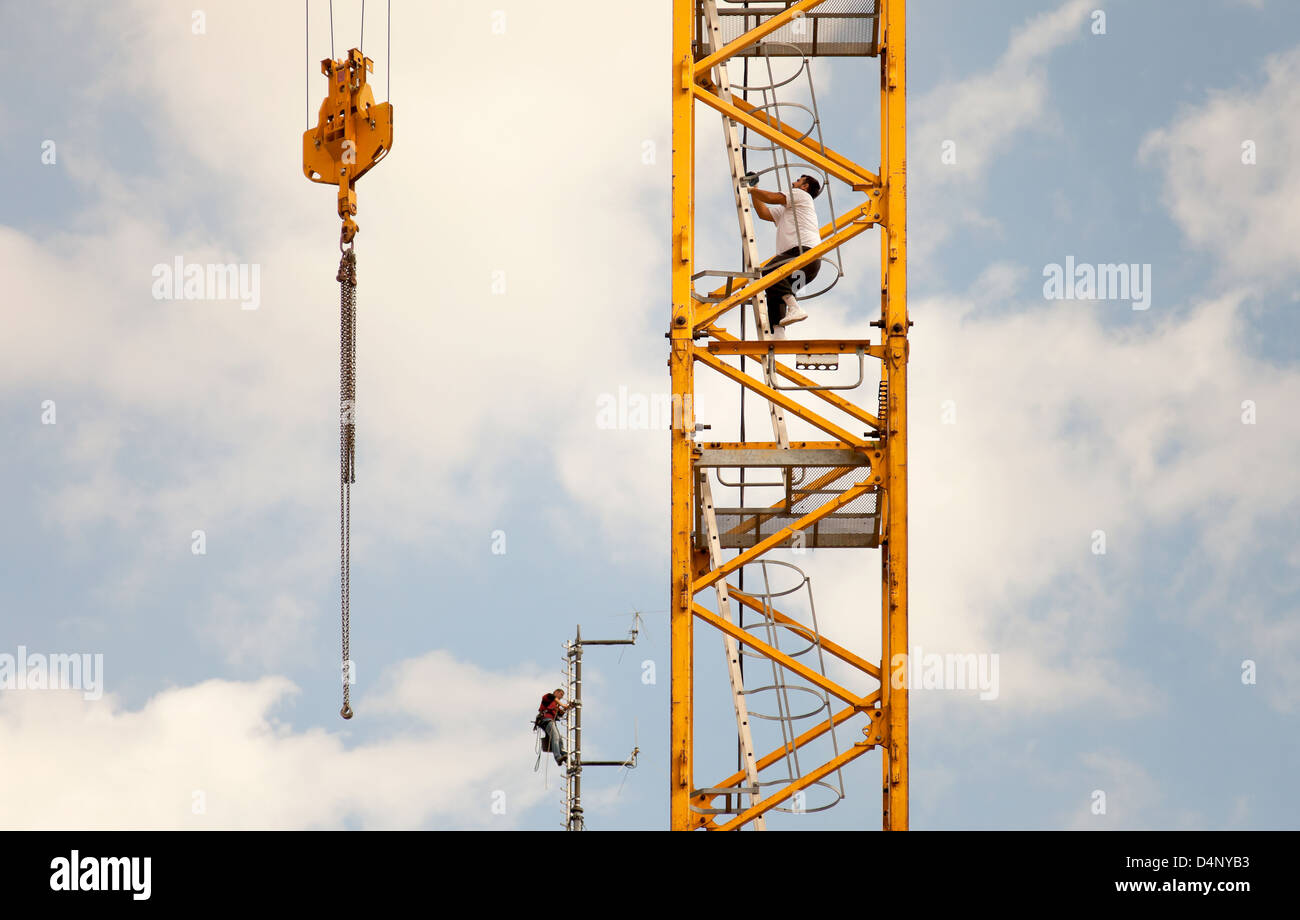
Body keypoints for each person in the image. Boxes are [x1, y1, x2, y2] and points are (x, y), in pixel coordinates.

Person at [748, 173, 824, 330]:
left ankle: (795, 308)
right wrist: (754, 189)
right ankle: (778, 331)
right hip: (809, 265)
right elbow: (763, 213)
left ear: (805, 187)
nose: (793, 182)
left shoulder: (801, 195)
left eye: (798, 181)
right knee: (774, 291)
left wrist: (749, 189)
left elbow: (771, 197)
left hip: (802, 253)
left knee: (769, 271)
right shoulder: (788, 210)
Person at [535, 688, 572, 766]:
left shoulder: (555, 705)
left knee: (560, 741)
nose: (561, 697)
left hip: (551, 722)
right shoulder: (548, 697)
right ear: (556, 692)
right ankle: (558, 758)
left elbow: (561, 713)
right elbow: (551, 696)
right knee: (555, 737)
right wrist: (563, 705)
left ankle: (568, 760)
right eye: (561, 694)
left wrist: (568, 707)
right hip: (546, 720)